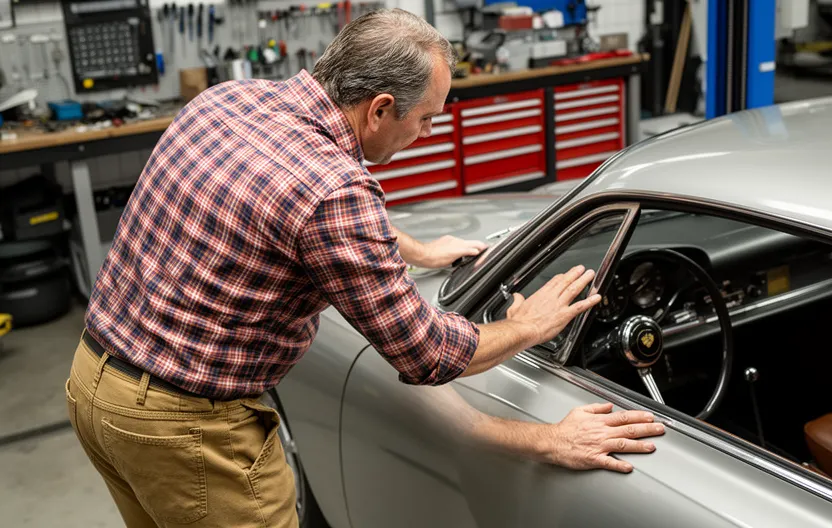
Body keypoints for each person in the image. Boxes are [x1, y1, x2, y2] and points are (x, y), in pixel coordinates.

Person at [64, 8, 664, 528]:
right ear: (379, 109)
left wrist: (419, 252)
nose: (426, 135)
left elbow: (288, 210)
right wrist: (530, 325)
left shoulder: (230, 101)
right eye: (425, 119)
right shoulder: (335, 190)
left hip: (96, 389)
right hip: (187, 431)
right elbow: (425, 355)